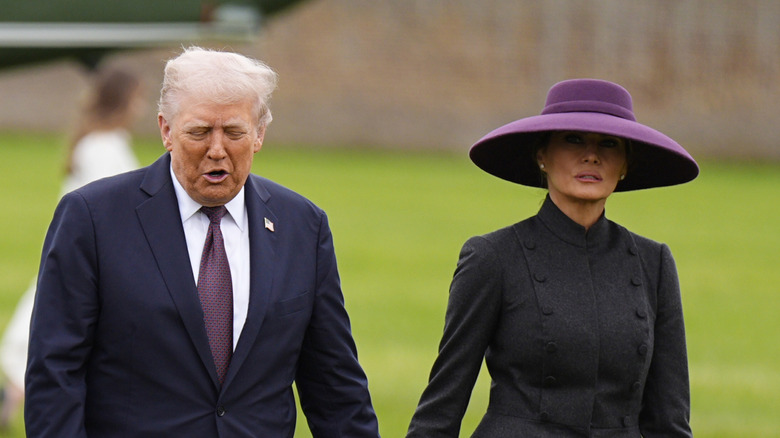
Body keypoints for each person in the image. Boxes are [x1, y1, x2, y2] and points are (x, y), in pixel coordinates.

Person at [25, 47, 380, 437]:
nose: (217, 150)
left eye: (234, 132)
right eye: (199, 132)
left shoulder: (303, 226)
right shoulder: (93, 218)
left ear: (259, 133)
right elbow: (55, 374)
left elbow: (334, 386)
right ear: (166, 130)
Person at [406, 79, 698, 437]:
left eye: (609, 143)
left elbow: (670, 420)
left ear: (625, 164)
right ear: (541, 155)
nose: (592, 155)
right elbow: (442, 405)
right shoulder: (493, 257)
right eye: (573, 139)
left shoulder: (653, 263)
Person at [0, 67, 143, 427]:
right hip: (88, 254)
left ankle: (12, 402)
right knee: (54, 330)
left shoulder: (104, 141)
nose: (140, 107)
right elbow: (103, 207)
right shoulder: (102, 147)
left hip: (84, 251)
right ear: (123, 101)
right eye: (137, 98)